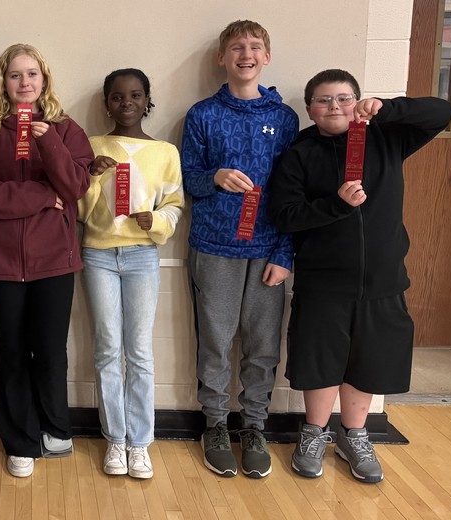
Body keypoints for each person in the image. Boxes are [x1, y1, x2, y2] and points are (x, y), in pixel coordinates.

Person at [269, 69, 451, 484]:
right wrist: (335, 205)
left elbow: (443, 111)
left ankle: (355, 435)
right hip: (323, 281)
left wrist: (388, 108)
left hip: (383, 279)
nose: (334, 106)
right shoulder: (299, 153)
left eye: (343, 98)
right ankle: (313, 434)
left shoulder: (387, 137)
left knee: (367, 361)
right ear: (310, 109)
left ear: (357, 101)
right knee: (321, 362)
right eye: (323, 100)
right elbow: (285, 214)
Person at [0, 43, 92, 478]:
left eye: (32, 74)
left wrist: (48, 140)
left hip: (55, 260)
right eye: (15, 75)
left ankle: (56, 429)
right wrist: (42, 196)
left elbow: (75, 186)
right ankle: (19, 440)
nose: (24, 83)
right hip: (0, 264)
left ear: (44, 80)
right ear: (3, 81)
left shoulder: (67, 130)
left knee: (52, 351)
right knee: (14, 352)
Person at [180, 19, 299, 478]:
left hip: (268, 251)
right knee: (215, 340)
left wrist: (285, 254)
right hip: (214, 247)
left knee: (263, 344)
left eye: (254, 47)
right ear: (222, 58)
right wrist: (214, 177)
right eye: (235, 48)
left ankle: (253, 425)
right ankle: (213, 423)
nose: (245, 55)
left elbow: (294, 195)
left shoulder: (285, 119)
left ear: (266, 56)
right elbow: (186, 177)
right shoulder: (202, 115)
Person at [80, 68, 185, 479]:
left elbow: (176, 204)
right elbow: (79, 210)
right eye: (118, 97)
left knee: (139, 351)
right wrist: (91, 176)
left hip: (143, 256)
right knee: (107, 349)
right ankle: (115, 440)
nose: (127, 103)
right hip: (99, 256)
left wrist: (156, 221)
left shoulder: (165, 152)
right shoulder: (92, 146)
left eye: (136, 95)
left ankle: (140, 443)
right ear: (106, 103)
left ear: (147, 100)